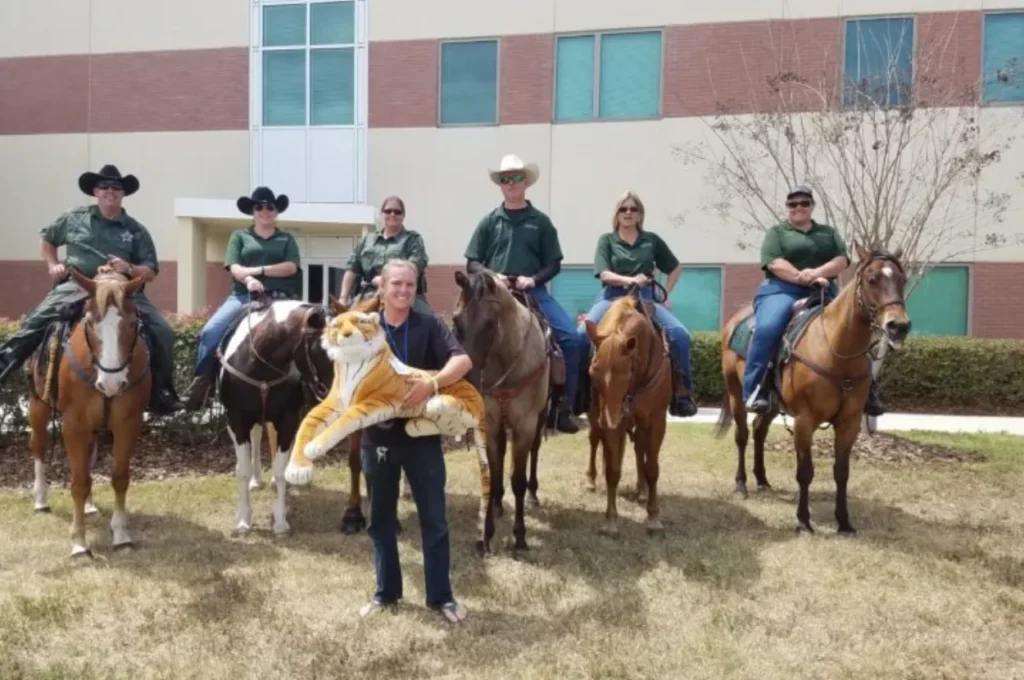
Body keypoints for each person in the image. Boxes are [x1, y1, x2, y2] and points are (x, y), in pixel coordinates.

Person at [0, 164, 184, 415]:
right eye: (105, 186)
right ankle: (6, 367)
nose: (111, 191)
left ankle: (162, 392)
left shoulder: (136, 230)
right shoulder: (74, 218)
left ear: (123, 193)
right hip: (78, 285)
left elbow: (150, 272)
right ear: (96, 191)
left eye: (116, 187)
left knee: (163, 331)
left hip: (123, 290)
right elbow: (47, 238)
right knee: (38, 319)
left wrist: (130, 267)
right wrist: (53, 264)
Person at [357, 258, 471, 625]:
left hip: (422, 439)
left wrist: (432, 384)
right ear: (383, 288)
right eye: (396, 285)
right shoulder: (364, 328)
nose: (403, 291)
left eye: (410, 284)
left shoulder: (430, 325)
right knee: (381, 520)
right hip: (377, 438)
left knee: (434, 520)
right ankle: (385, 593)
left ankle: (441, 598)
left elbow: (463, 361)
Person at [463, 153, 582, 434]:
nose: (511, 183)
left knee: (572, 341)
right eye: (506, 179)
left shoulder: (540, 222)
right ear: (500, 184)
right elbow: (471, 262)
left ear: (525, 182)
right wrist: (494, 276)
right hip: (494, 292)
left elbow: (554, 263)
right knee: (466, 336)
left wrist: (533, 279)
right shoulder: (489, 221)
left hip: (532, 290)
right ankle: (465, 403)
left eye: (516, 177)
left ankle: (564, 406)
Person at [743, 185, 885, 416]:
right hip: (781, 290)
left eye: (804, 203)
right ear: (787, 207)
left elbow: (841, 260)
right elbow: (775, 264)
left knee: (855, 329)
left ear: (812, 206)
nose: (798, 207)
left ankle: (869, 391)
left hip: (823, 290)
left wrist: (817, 273)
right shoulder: (777, 233)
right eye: (793, 204)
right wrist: (804, 278)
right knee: (768, 329)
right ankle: (757, 389)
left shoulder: (828, 233)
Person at [578, 191, 699, 417]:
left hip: (646, 297)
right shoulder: (607, 240)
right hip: (612, 296)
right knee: (579, 336)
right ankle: (580, 396)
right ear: (617, 213)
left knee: (681, 335)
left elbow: (675, 268)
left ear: (640, 214)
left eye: (633, 209)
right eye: (623, 209)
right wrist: (630, 279)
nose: (628, 213)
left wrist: (666, 294)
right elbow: (604, 274)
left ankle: (683, 395)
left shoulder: (651, 240)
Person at [182, 186, 302, 411]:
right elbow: (234, 267)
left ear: (276, 211)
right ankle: (203, 386)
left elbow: (290, 267)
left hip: (281, 298)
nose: (264, 211)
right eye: (259, 207)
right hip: (243, 295)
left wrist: (258, 271)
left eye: (269, 207)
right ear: (253, 211)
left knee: (307, 334)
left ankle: (310, 389)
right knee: (210, 332)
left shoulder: (286, 239)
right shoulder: (239, 236)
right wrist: (248, 281)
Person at [340, 195, 433, 315]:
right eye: (388, 211)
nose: (392, 214)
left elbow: (415, 265)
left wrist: (385, 279)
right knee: (346, 323)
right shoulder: (367, 240)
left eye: (397, 211)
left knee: (430, 322)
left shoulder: (412, 239)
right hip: (369, 294)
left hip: (404, 295)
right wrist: (343, 298)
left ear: (403, 216)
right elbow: (352, 268)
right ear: (382, 214)